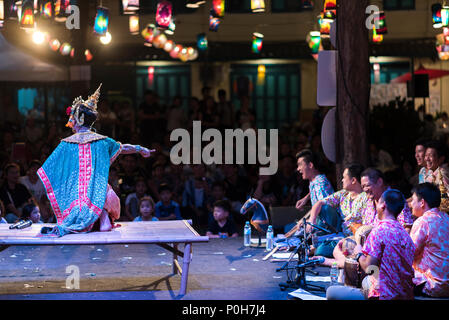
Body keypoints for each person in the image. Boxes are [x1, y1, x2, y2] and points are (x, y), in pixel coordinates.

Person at [37, 84, 155, 236]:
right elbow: (123, 148)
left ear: (79, 119)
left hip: (76, 195)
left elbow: (50, 166)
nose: (71, 122)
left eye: (72, 118)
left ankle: (87, 219)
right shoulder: (102, 141)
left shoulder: (67, 143)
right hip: (97, 191)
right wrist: (140, 149)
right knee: (102, 190)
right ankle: (102, 218)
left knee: (83, 193)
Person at [327, 189, 415, 300]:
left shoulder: (379, 231)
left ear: (383, 205)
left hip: (384, 295)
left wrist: (358, 253)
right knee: (366, 282)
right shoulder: (406, 235)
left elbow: (369, 268)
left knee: (331, 292)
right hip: (405, 295)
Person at [305, 164, 365, 258]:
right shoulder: (343, 194)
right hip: (339, 234)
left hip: (354, 239)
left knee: (321, 251)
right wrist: (311, 220)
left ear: (353, 180)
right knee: (324, 208)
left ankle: (319, 249)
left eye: (344, 177)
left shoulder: (365, 198)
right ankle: (319, 244)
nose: (342, 180)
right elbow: (319, 203)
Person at [409, 183, 449, 297]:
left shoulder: (423, 221)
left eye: (413, 200)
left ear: (422, 202)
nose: (411, 204)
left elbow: (410, 254)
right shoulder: (446, 218)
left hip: (433, 286)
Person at [353, 168, 414, 233]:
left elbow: (407, 227)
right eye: (363, 187)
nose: (365, 189)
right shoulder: (368, 202)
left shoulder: (394, 198)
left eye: (367, 185)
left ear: (379, 182)